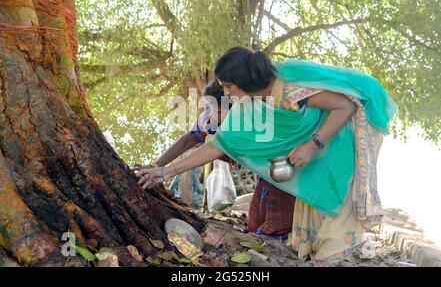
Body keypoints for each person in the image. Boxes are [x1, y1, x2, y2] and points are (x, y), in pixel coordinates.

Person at [136, 47, 397, 266]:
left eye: (228, 86)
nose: (225, 93)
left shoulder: (288, 88)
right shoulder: (249, 103)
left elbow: (346, 105)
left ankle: (335, 250)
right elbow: (217, 145)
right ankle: (316, 245)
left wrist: (312, 143)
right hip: (325, 123)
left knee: (337, 177)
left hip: (355, 117)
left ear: (244, 81)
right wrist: (164, 171)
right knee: (315, 175)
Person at [134, 80, 229, 208]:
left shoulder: (246, 121)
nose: (212, 116)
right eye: (209, 108)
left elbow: (214, 149)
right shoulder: (209, 118)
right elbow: (189, 140)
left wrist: (165, 172)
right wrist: (155, 165)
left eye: (217, 112)